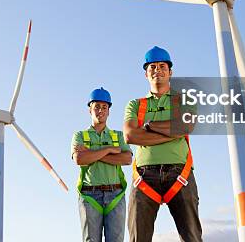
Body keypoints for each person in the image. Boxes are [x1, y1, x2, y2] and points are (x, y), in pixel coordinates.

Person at [124, 46, 201, 242]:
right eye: (152, 67)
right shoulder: (135, 104)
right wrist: (172, 132)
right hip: (143, 177)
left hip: (180, 174)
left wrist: (149, 127)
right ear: (146, 73)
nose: (157, 70)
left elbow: (187, 125)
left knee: (192, 237)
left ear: (170, 72)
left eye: (162, 66)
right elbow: (131, 136)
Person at [72, 87, 133, 242]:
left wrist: (92, 154)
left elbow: (126, 159)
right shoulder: (80, 135)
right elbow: (79, 159)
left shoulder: (118, 136)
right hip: (89, 195)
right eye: (96, 107)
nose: (100, 110)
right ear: (90, 110)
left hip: (115, 195)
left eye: (104, 107)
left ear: (109, 111)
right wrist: (109, 150)